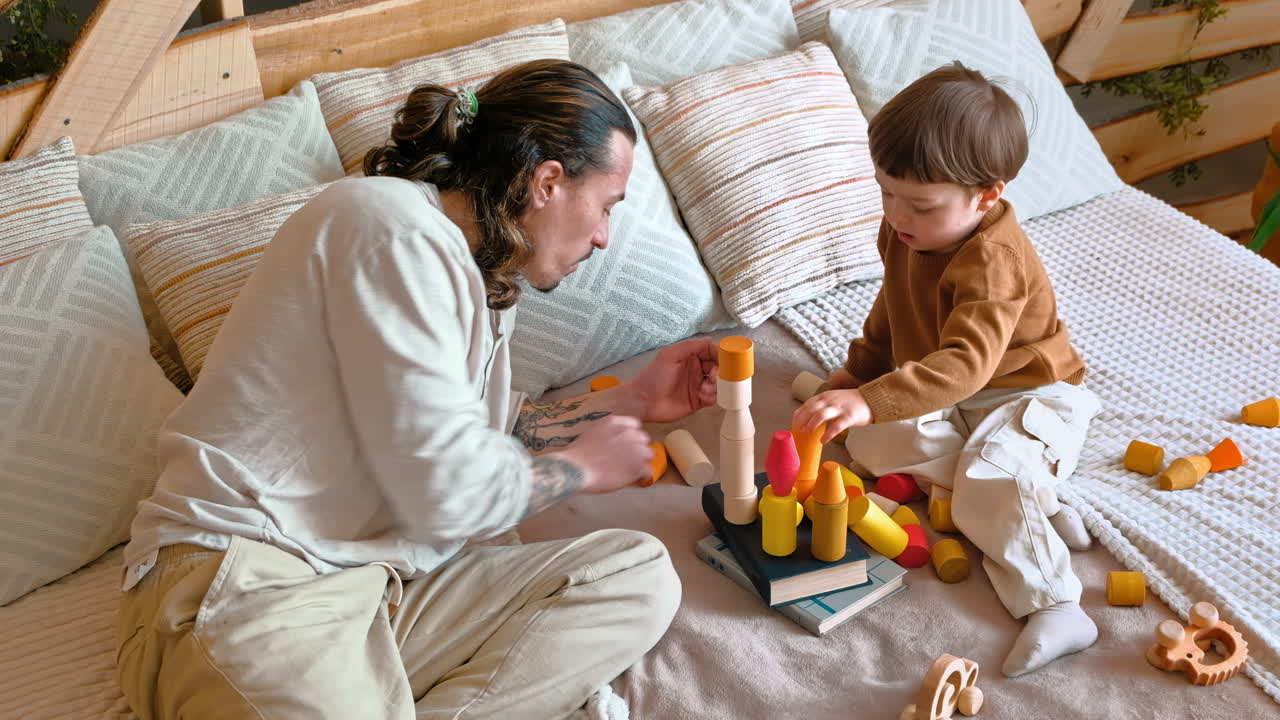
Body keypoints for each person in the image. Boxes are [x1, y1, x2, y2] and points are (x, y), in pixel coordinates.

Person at [115, 59, 719, 719]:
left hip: (378, 589)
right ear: (548, 182)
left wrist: (628, 401)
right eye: (606, 206)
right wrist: (577, 470)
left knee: (635, 577)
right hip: (249, 585)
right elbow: (450, 494)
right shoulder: (386, 226)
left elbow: (472, 442)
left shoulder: (479, 283)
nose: (603, 236)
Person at [793, 62, 1101, 677]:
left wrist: (870, 397)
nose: (897, 216)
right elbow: (893, 306)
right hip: (957, 396)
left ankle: (1059, 604)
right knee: (870, 440)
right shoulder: (906, 232)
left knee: (984, 473)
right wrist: (859, 377)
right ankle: (1032, 499)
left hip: (1028, 394)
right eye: (886, 193)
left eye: (920, 205)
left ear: (988, 194)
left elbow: (965, 364)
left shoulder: (992, 259)